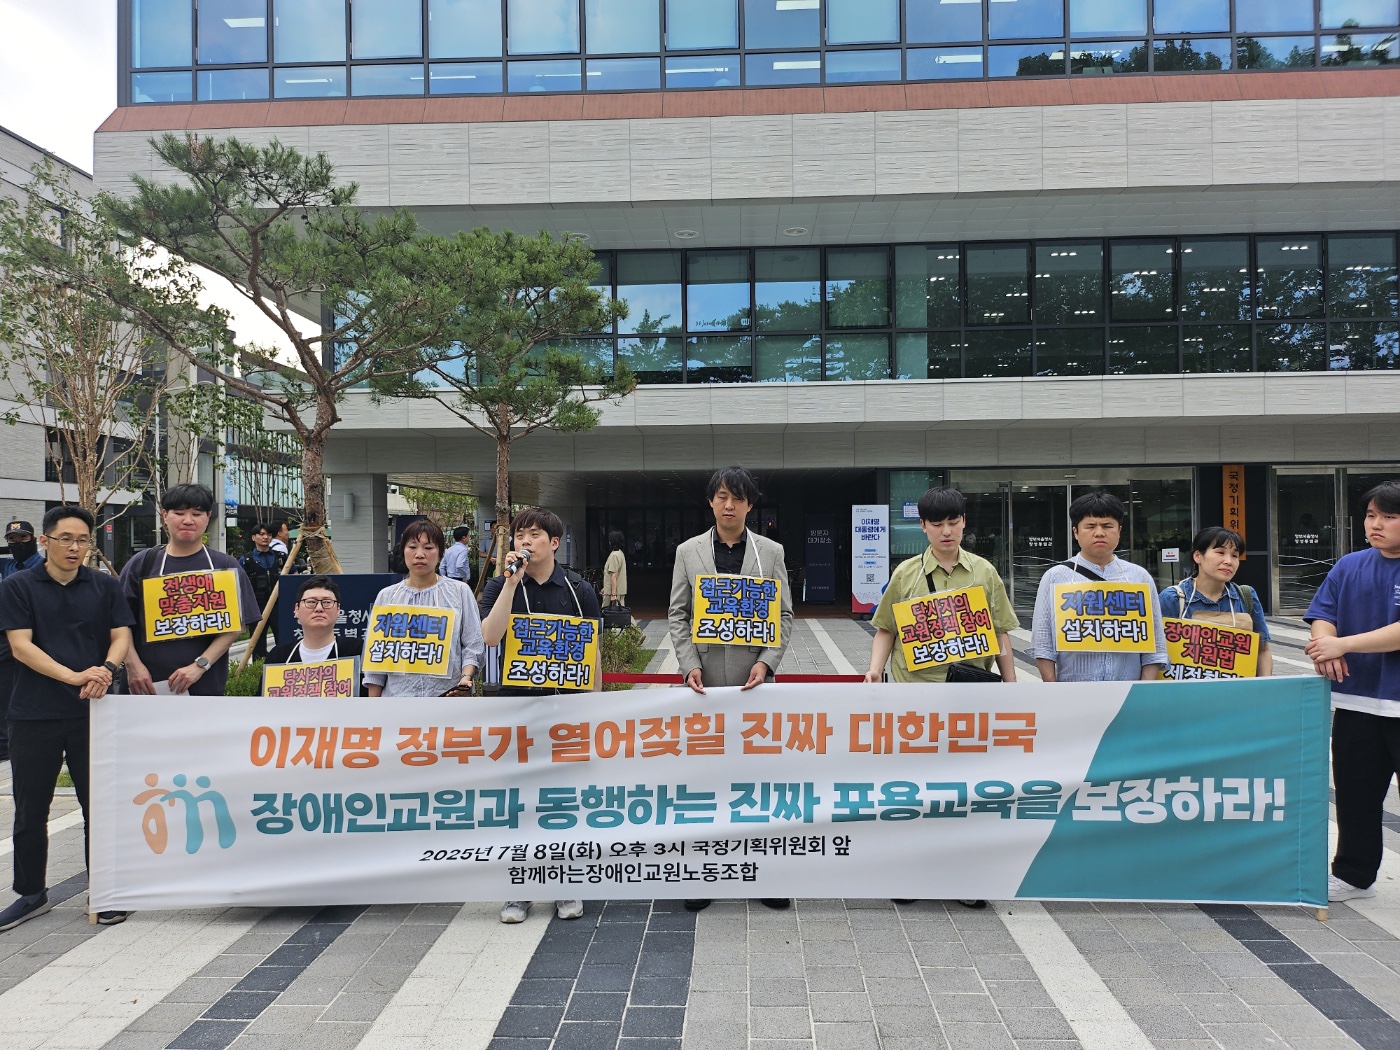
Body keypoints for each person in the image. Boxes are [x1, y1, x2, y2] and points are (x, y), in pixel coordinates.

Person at [0, 506, 135, 930]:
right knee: (30, 808)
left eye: (82, 540)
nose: (75, 547)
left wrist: (108, 671)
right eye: (65, 539)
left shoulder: (104, 585)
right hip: (33, 713)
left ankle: (106, 890)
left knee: (99, 806)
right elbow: (21, 646)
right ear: (45, 541)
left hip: (93, 712)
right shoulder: (19, 586)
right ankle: (31, 893)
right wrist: (75, 675)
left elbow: (121, 634)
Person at [669, 466, 793, 913]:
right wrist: (687, 665)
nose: (728, 505)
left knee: (758, 782)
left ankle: (766, 873)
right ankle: (703, 872)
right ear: (711, 502)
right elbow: (677, 615)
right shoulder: (688, 552)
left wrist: (766, 661)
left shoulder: (770, 552)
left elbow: (784, 615)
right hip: (703, 686)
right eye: (721, 497)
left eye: (737, 499)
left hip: (755, 685)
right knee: (705, 781)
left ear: (749, 505)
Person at [479, 507, 603, 925]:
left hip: (566, 711)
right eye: (519, 536)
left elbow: (593, 652)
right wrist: (512, 582)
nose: (525, 542)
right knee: (520, 802)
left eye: (534, 535)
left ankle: (566, 882)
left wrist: (595, 705)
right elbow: (489, 637)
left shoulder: (578, 589)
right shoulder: (501, 585)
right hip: (517, 713)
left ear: (554, 543)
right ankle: (520, 890)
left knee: (562, 802)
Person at [1302, 480, 1400, 903]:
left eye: (1388, 517)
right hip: (1356, 700)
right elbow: (1322, 614)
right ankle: (1353, 873)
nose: (1375, 525)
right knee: (1355, 792)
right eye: (1370, 516)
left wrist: (1343, 644)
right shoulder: (1349, 565)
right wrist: (1324, 646)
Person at [864, 487, 1018, 685]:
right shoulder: (905, 574)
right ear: (923, 525)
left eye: (953, 523)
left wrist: (1011, 682)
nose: (946, 532)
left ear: (963, 521)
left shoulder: (984, 572)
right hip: (915, 689)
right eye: (937, 524)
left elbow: (999, 631)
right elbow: (887, 629)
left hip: (971, 687)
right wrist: (875, 670)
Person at [118, 484, 261, 696]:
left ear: (208, 517)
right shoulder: (142, 563)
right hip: (143, 686)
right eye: (179, 513)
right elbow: (119, 622)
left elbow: (235, 626)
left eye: (196, 513)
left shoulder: (225, 565)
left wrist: (200, 665)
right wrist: (133, 666)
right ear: (165, 516)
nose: (187, 520)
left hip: (204, 686)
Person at [1032, 490, 1167, 683]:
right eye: (1090, 526)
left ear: (1119, 530)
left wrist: (1141, 691)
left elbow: (1155, 643)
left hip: (1128, 693)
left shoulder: (1139, 577)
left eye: (1107, 525)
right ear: (1075, 532)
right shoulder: (1055, 577)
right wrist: (1054, 690)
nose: (1099, 532)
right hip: (1073, 692)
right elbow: (1043, 643)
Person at [362, 519, 484, 699]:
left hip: (448, 699)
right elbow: (376, 656)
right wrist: (375, 708)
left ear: (440, 553)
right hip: (398, 701)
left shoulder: (459, 592)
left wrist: (466, 677)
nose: (420, 554)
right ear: (403, 551)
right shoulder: (387, 596)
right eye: (412, 547)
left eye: (428, 548)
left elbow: (473, 643)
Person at [1159, 527, 1272, 678]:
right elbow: (1155, 651)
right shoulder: (1173, 598)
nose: (1228, 561)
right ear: (1198, 556)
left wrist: (1263, 688)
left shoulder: (1246, 595)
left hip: (1236, 694)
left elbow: (1262, 650)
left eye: (1235, 555)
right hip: (1184, 695)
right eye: (1220, 552)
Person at [266, 576, 364, 665]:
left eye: (327, 602)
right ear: (296, 609)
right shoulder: (279, 657)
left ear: (338, 609)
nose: (319, 608)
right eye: (311, 602)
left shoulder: (358, 650)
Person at [238, 523, 286, 661]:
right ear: (254, 537)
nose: (265, 537)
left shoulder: (281, 557)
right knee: (257, 643)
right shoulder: (246, 560)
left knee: (282, 640)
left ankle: (282, 666)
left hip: (279, 606)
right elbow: (239, 583)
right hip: (256, 607)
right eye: (261, 534)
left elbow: (292, 575)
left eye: (269, 534)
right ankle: (259, 671)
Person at [603, 530, 627, 608]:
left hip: (612, 592)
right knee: (621, 612)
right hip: (620, 589)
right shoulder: (620, 553)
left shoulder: (614, 555)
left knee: (606, 613)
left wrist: (613, 594)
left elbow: (614, 575)